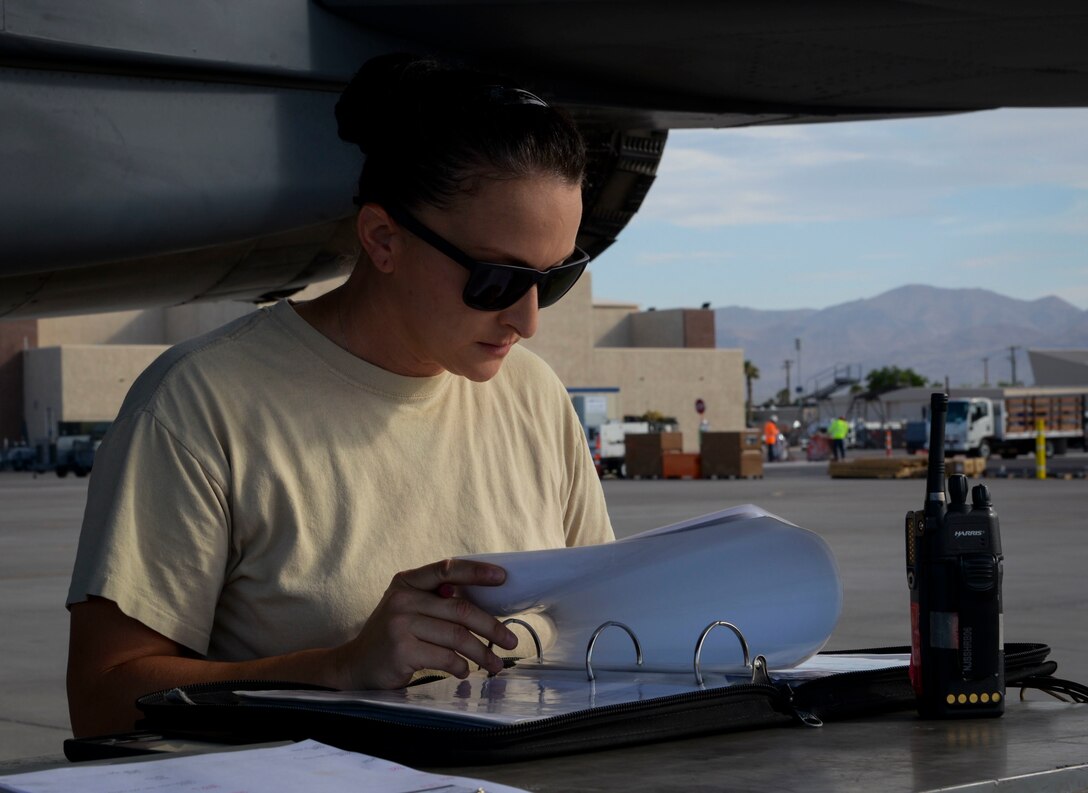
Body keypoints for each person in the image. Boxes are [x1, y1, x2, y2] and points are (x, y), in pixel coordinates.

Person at [65, 54, 614, 737]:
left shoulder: (534, 395)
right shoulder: (201, 405)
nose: (528, 319)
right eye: (498, 280)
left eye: (554, 278)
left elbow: (605, 631)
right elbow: (100, 698)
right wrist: (338, 668)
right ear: (383, 239)